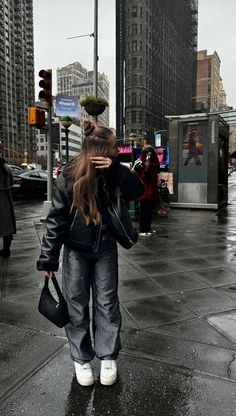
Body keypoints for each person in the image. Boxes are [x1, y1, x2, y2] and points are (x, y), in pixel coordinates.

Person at [37, 120, 144, 387]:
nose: (115, 151)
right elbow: (56, 220)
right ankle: (81, 359)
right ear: (98, 148)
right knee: (75, 306)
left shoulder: (114, 171)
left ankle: (108, 356)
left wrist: (117, 170)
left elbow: (138, 192)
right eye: (111, 147)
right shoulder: (70, 174)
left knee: (107, 304)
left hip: (106, 247)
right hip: (76, 251)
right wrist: (49, 258)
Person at [133, 145, 160, 236]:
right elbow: (142, 179)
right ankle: (142, 230)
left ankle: (148, 228)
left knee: (149, 212)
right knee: (144, 212)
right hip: (144, 192)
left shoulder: (153, 163)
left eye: (150, 153)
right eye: (147, 153)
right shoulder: (140, 163)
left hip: (151, 191)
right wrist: (146, 170)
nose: (149, 155)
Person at [0, 147, 16, 258]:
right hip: (6, 199)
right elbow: (11, 182)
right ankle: (6, 250)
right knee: (7, 226)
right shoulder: (6, 168)